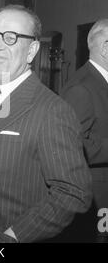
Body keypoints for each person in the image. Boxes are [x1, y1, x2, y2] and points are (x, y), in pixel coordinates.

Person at [0, 5, 92, 243]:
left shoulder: (51, 110)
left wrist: (15, 236)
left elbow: (73, 193)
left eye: (11, 37)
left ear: (32, 50)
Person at [61, 19, 108, 242]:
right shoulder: (81, 86)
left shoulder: (100, 80)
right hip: (96, 194)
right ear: (106, 48)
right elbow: (71, 145)